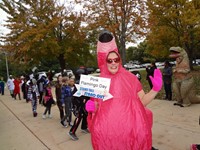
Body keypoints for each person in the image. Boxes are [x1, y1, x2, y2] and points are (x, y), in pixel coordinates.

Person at [85, 31, 162, 150]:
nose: (113, 63)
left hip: (133, 136)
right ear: (103, 61)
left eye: (116, 59)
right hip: (107, 139)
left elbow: (141, 102)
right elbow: (95, 108)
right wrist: (92, 107)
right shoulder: (98, 83)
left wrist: (154, 90)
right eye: (109, 60)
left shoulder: (130, 78)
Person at [68, 74, 90, 141]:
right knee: (79, 117)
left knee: (85, 114)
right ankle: (72, 132)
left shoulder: (86, 83)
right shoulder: (77, 84)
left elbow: (88, 92)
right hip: (77, 104)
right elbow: (75, 95)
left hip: (83, 104)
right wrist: (82, 99)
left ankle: (84, 127)